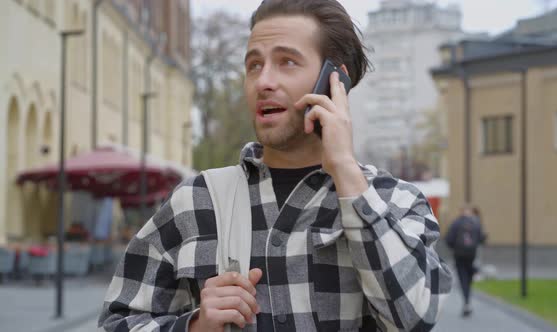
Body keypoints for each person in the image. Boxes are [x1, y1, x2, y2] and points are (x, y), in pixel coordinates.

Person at [98, 0, 452, 331]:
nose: (264, 81)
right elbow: (117, 321)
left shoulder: (396, 202)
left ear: (335, 81)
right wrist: (194, 326)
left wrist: (344, 167)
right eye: (254, 65)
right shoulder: (195, 200)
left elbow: (415, 318)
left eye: (287, 62)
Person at [445, 205, 485, 317]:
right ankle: (467, 300)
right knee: (468, 277)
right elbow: (481, 238)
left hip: (459, 255)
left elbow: (449, 239)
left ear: (461, 212)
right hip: (471, 255)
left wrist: (455, 248)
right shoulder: (476, 223)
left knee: (462, 277)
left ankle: (466, 301)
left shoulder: (456, 223)